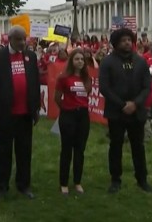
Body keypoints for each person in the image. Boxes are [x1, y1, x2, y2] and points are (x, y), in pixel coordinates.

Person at [0, 26, 41, 200]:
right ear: (9, 39)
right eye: (18, 39)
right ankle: (1, 186)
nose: (22, 42)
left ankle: (24, 185)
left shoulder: (30, 57)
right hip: (5, 113)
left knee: (24, 151)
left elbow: (35, 83)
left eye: (24, 39)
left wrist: (36, 108)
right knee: (4, 152)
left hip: (25, 114)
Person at [99, 28, 152, 194]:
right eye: (123, 40)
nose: (127, 42)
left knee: (138, 146)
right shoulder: (108, 62)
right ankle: (115, 179)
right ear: (116, 43)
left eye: (129, 40)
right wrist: (123, 104)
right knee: (115, 146)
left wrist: (135, 104)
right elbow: (105, 88)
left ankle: (142, 179)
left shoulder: (141, 61)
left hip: (137, 112)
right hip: (116, 112)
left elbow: (146, 87)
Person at [54, 48, 92, 195]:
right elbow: (57, 98)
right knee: (66, 150)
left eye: (82, 59)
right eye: (77, 59)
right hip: (68, 115)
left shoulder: (86, 78)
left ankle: (77, 181)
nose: (80, 61)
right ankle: (63, 182)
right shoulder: (63, 78)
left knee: (80, 150)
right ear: (71, 61)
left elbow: (86, 94)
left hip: (83, 116)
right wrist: (66, 109)